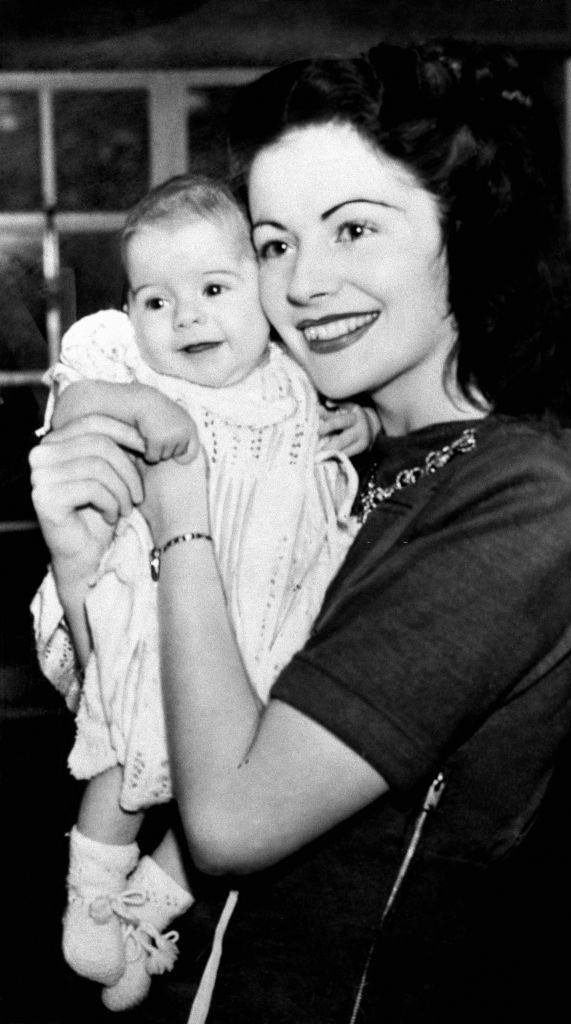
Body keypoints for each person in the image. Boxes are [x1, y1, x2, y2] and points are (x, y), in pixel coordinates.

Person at [29, 41, 571, 1023]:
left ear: (467, 233)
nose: (303, 282)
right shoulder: (321, 454)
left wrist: (178, 502)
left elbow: (229, 818)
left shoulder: (520, 501)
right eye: (273, 243)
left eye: (352, 228)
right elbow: (142, 721)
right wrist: (80, 560)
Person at [30, 174, 378, 1012]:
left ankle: (150, 909)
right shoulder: (128, 359)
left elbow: (352, 418)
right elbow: (73, 393)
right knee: (126, 728)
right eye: (156, 299)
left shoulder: (295, 372)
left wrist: (360, 424)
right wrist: (131, 400)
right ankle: (93, 884)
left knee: (235, 768)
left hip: (267, 615)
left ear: (262, 295)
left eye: (214, 290)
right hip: (150, 602)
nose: (184, 318)